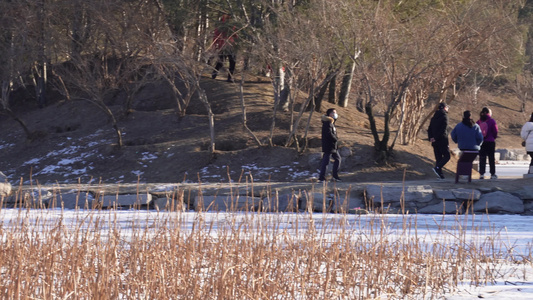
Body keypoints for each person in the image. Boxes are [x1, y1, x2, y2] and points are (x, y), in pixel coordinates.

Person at [428, 102, 450, 179]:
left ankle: (440, 175)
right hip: (442, 140)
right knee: (447, 156)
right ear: (444, 108)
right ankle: (437, 168)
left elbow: (429, 128)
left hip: (434, 142)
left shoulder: (434, 117)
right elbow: (443, 130)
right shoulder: (445, 116)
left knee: (438, 158)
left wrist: (431, 137)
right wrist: (436, 137)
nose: (448, 109)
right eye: (447, 107)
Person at [211, 14, 237, 82]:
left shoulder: (232, 27)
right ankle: (214, 73)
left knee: (232, 62)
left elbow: (236, 35)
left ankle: (230, 77)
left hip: (231, 46)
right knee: (221, 61)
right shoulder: (220, 27)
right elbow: (215, 36)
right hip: (223, 46)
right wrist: (215, 45)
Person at [318, 108, 341, 182]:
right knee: (326, 161)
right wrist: (335, 139)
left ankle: (335, 176)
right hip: (329, 145)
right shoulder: (327, 123)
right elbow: (328, 134)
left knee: (337, 159)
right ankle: (322, 177)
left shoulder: (331, 123)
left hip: (333, 145)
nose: (335, 114)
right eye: (334, 112)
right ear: (330, 114)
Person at [476, 107, 499, 179]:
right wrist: (493, 137)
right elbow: (495, 131)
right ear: (489, 113)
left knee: (482, 158)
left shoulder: (479, 122)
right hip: (490, 141)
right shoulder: (492, 121)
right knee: (491, 158)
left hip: (482, 142)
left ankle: (482, 173)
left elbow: (476, 131)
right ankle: (492, 174)